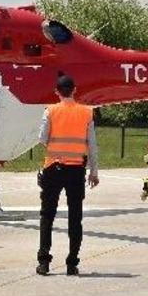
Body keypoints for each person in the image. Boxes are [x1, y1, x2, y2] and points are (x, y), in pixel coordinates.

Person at [35, 75, 99, 277]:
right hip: (76, 169)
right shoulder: (86, 113)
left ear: (57, 92)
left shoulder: (50, 110)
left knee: (47, 215)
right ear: (74, 90)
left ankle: (44, 262)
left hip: (53, 167)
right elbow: (92, 144)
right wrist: (94, 171)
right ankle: (72, 263)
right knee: (75, 216)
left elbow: (42, 138)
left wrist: (56, 149)